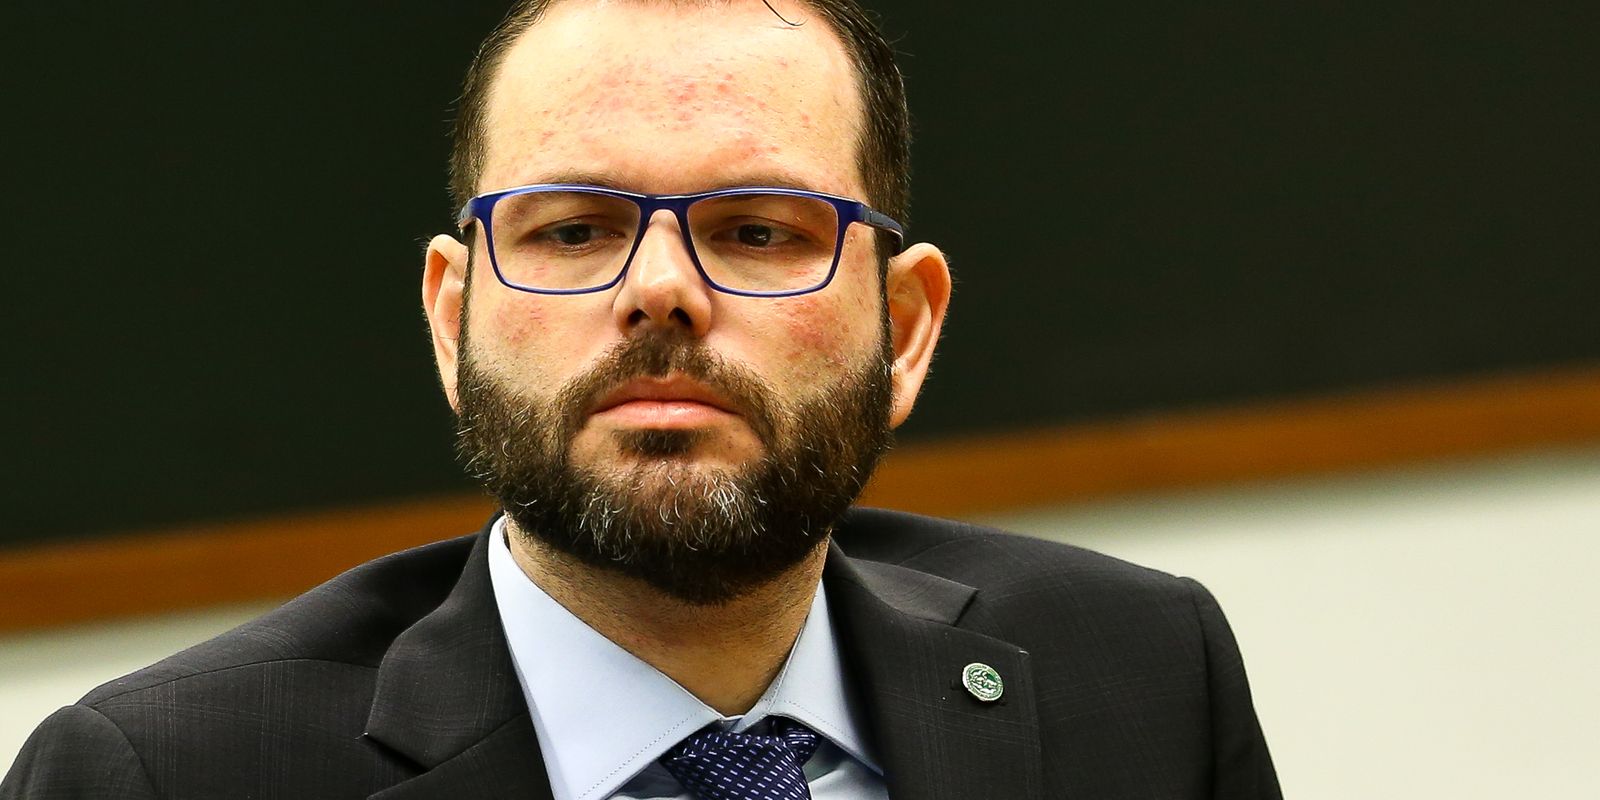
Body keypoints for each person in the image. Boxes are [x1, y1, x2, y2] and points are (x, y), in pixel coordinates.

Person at [2, 1, 1280, 797]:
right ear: (451, 318)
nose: (659, 291)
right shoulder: (166, 777)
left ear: (904, 329)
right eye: (571, 229)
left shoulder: (1140, 673)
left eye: (759, 230)